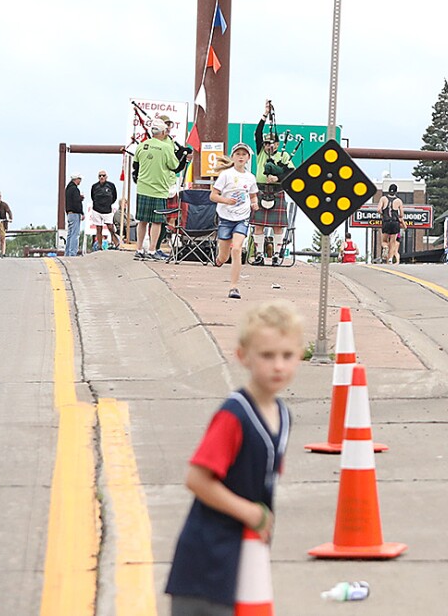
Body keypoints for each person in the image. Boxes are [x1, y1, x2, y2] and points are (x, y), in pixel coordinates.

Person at [164, 301, 302, 615]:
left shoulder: (283, 415)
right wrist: (252, 513)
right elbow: (197, 480)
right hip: (205, 563)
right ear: (243, 356)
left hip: (243, 558)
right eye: (267, 355)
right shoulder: (234, 415)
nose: (278, 366)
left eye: (287, 355)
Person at [210, 143, 258, 299]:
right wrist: (226, 200)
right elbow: (213, 196)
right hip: (225, 216)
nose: (241, 157)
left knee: (236, 249)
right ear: (233, 157)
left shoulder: (250, 177)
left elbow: (253, 194)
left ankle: (234, 287)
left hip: (242, 217)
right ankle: (219, 259)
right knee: (224, 255)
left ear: (248, 158)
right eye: (238, 154)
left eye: (244, 154)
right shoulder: (226, 175)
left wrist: (254, 203)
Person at [253, 101, 295, 262]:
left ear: (277, 143)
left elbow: (291, 174)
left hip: (277, 191)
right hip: (261, 189)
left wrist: (278, 178)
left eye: (271, 143)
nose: (269, 146)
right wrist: (264, 114)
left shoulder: (283, 156)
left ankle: (277, 255)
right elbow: (257, 133)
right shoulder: (261, 152)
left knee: (278, 226)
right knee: (259, 225)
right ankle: (258, 255)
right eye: (266, 143)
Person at [133, 120, 181, 259]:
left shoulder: (142, 146)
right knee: (157, 221)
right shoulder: (166, 148)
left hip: (142, 187)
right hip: (159, 189)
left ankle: (139, 249)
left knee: (141, 220)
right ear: (163, 132)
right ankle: (153, 250)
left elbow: (136, 166)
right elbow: (175, 166)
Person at [89, 170, 119, 252]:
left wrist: (108, 203)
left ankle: (116, 243)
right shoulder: (94, 186)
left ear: (106, 177)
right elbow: (92, 196)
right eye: (100, 176)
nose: (102, 177)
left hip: (107, 210)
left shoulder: (111, 185)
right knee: (99, 228)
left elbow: (114, 197)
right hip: (97, 210)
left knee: (110, 228)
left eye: (103, 175)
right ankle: (99, 245)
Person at [379, 186, 404, 264]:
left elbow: (378, 209)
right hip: (395, 223)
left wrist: (383, 214)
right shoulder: (399, 201)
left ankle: (385, 247)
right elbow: (402, 214)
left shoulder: (383, 199)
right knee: (393, 242)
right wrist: (399, 217)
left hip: (386, 221)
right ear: (396, 192)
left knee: (384, 241)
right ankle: (390, 258)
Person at [64, 175, 85, 256]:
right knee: (75, 234)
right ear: (76, 179)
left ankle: (67, 252)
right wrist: (81, 211)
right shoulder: (75, 189)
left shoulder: (68, 189)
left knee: (69, 234)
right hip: (75, 213)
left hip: (69, 213)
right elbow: (76, 202)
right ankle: (73, 253)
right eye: (80, 179)